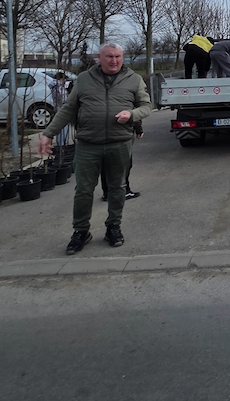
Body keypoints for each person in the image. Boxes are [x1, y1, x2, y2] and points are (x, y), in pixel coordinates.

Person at [37, 42, 151, 255]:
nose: (114, 60)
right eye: (109, 56)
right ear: (99, 58)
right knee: (83, 190)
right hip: (88, 144)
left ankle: (113, 227)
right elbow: (68, 109)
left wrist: (132, 115)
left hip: (119, 143)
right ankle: (81, 231)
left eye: (118, 56)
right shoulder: (84, 79)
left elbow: (146, 106)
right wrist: (48, 134)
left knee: (118, 187)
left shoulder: (134, 79)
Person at [101, 119, 142, 201]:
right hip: (120, 136)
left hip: (100, 137)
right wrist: (139, 130)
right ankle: (124, 191)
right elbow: (134, 117)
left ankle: (107, 192)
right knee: (124, 166)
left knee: (105, 166)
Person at [48, 71, 71, 148]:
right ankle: (63, 144)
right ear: (61, 79)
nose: (65, 81)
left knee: (59, 127)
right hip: (62, 108)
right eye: (64, 79)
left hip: (57, 107)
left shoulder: (54, 86)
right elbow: (64, 98)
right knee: (64, 126)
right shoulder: (59, 86)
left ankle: (60, 143)